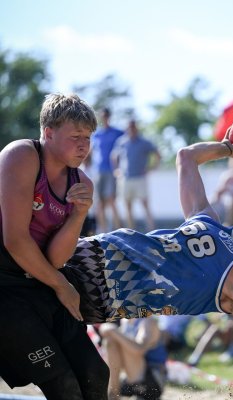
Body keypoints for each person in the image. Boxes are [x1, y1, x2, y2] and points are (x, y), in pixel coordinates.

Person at [51, 138, 233, 396]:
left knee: (80, 380)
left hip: (98, 300)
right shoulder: (206, 217)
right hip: (89, 253)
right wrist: (229, 148)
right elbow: (186, 157)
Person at [0, 93, 109, 400]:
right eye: (75, 137)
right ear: (48, 133)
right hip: (5, 283)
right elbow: (15, 241)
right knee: (63, 385)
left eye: (88, 138)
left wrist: (79, 215)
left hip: (40, 278)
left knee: (96, 375)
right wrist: (62, 285)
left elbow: (56, 259)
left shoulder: (82, 183)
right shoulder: (22, 155)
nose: (84, 146)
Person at [99, 318, 168, 400]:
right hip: (129, 380)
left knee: (124, 342)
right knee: (111, 341)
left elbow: (139, 349)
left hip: (151, 380)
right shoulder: (125, 320)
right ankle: (113, 393)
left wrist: (113, 331)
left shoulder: (148, 321)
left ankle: (129, 391)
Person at [112, 119, 161, 231]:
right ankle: (131, 231)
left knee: (145, 205)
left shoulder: (144, 142)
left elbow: (157, 153)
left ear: (136, 128)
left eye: (133, 127)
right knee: (127, 206)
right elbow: (114, 156)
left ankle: (152, 230)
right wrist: (117, 170)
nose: (131, 129)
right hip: (125, 178)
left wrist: (152, 168)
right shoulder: (121, 141)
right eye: (130, 127)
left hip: (140, 178)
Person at [91, 107, 124, 232]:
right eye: (102, 116)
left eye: (106, 116)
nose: (104, 118)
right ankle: (103, 231)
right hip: (98, 171)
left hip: (111, 170)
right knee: (99, 203)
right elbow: (91, 151)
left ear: (109, 117)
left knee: (111, 200)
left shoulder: (117, 132)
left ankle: (119, 230)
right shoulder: (96, 134)